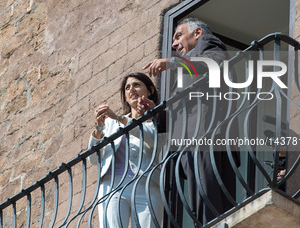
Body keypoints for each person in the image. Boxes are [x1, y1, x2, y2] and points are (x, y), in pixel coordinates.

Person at [143, 18, 240, 226]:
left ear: (197, 33)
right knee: (201, 198)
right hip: (190, 141)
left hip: (207, 133)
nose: (174, 44)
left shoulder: (210, 45)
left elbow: (213, 64)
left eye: (178, 36)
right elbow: (180, 111)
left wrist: (171, 62)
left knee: (209, 196)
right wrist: (157, 114)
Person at [88, 72, 166, 228]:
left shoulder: (156, 119)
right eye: (127, 87)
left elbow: (154, 141)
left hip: (146, 185)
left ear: (150, 90)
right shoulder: (111, 124)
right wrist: (99, 128)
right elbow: (94, 159)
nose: (131, 90)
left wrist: (119, 118)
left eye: (137, 85)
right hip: (112, 187)